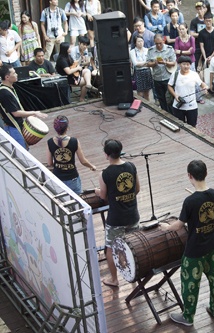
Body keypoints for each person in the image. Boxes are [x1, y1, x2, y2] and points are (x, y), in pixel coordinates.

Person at [166, 160, 214, 327]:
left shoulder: (190, 201)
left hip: (195, 249)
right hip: (211, 244)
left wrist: (165, 227)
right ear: (206, 173)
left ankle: (188, 317)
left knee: (190, 282)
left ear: (190, 176)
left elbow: (179, 225)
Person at [95, 139, 140, 288]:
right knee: (134, 245)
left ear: (106, 155)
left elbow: (103, 196)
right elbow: (137, 189)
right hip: (133, 214)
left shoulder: (105, 174)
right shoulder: (131, 166)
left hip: (116, 218)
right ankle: (136, 276)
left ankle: (114, 280)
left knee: (110, 247)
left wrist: (97, 191)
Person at [0, 65, 48, 149]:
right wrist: (34, 113)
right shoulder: (5, 93)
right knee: (22, 154)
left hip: (17, 125)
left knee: (24, 151)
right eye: (14, 73)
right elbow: (15, 113)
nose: (17, 74)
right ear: (7, 77)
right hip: (13, 128)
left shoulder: (10, 88)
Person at [46, 115, 96, 194]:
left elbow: (49, 163)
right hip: (72, 178)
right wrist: (92, 166)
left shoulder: (50, 142)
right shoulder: (74, 141)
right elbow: (83, 161)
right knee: (77, 200)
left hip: (58, 178)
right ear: (67, 128)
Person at [168, 56, 208, 127]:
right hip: (178, 106)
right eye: (184, 64)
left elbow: (201, 84)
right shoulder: (175, 74)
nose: (186, 66)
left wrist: (205, 87)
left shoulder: (194, 74)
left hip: (192, 106)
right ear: (179, 64)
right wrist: (175, 95)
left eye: (188, 64)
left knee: (192, 126)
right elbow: (169, 86)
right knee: (179, 125)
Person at [147, 34, 176, 113]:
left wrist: (165, 62)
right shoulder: (151, 50)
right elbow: (148, 63)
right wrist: (154, 63)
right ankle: (164, 114)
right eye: (156, 43)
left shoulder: (169, 49)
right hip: (157, 78)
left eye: (160, 43)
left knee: (169, 98)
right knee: (161, 98)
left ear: (163, 40)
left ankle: (172, 115)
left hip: (168, 77)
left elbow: (173, 63)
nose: (159, 45)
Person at [130, 35, 153, 100]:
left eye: (142, 41)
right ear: (135, 43)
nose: (140, 43)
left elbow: (150, 61)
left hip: (147, 72)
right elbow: (136, 64)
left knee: (147, 93)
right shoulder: (132, 52)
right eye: (138, 41)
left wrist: (143, 63)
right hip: (138, 73)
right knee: (140, 94)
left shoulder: (147, 50)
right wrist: (146, 63)